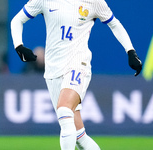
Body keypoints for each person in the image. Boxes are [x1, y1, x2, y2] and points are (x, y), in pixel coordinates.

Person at [11, 0, 142, 149]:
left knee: (64, 109)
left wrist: (131, 51)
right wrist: (19, 46)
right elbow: (17, 20)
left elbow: (114, 24)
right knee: (79, 136)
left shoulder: (95, 2)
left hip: (78, 63)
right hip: (53, 70)